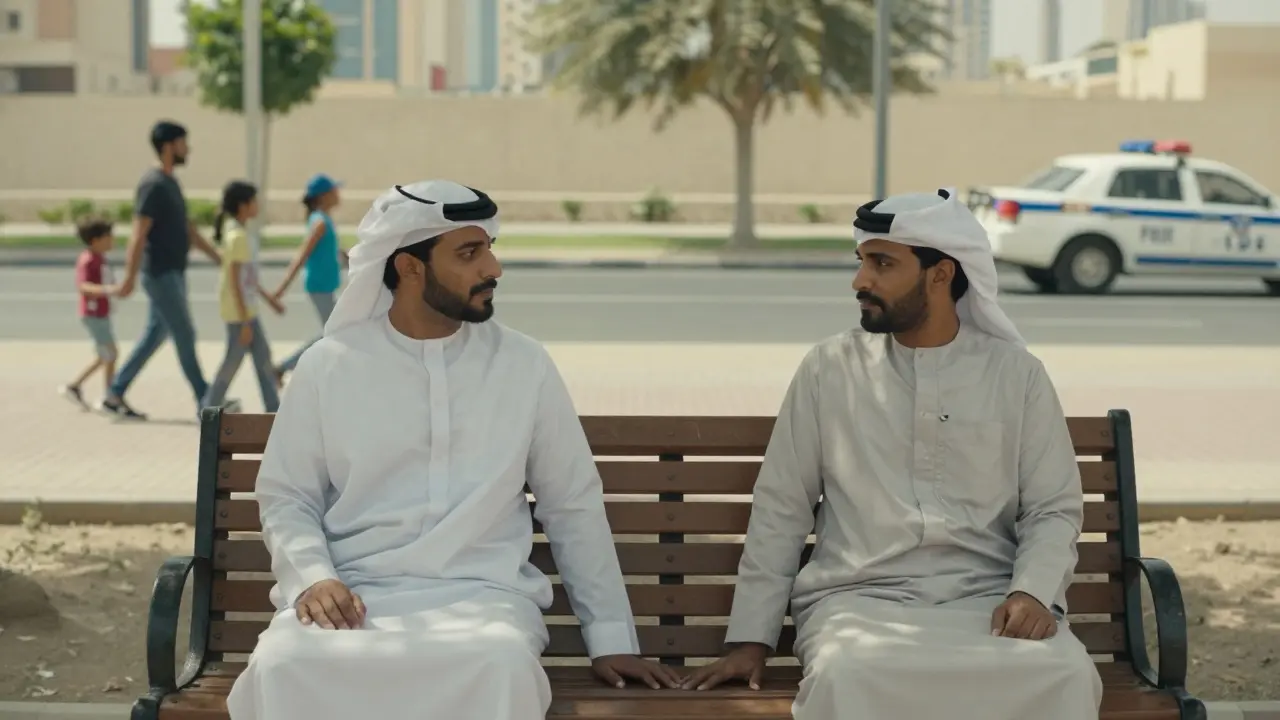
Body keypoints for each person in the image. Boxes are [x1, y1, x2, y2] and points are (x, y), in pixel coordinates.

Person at [225, 180, 684, 720]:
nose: (493, 268)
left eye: (490, 247)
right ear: (408, 267)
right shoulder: (329, 365)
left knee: (499, 664)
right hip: (355, 594)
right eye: (470, 253)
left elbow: (571, 505)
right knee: (284, 663)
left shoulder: (523, 365)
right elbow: (287, 495)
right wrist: (312, 576)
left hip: (484, 599)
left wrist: (611, 638)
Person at [681, 189, 1103, 720]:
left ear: (941, 273)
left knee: (1062, 674)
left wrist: (1035, 593)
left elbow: (1052, 507)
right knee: (849, 674)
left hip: (987, 601)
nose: (861, 281)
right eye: (862, 262)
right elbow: (782, 508)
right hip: (858, 602)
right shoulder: (829, 369)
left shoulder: (1015, 375)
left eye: (882, 264)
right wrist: (751, 639)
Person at [104, 120, 222, 420]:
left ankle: (115, 392)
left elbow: (187, 229)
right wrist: (130, 277)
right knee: (184, 332)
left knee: (156, 334)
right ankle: (206, 400)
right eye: (184, 143)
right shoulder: (153, 184)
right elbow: (138, 233)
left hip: (175, 272)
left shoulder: (170, 182)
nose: (188, 149)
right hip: (160, 273)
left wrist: (219, 258)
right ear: (169, 146)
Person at [201, 181, 285, 413]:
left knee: (263, 358)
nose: (257, 206)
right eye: (254, 201)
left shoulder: (238, 233)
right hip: (240, 313)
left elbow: (247, 278)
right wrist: (245, 321)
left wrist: (269, 300)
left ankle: (273, 411)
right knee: (233, 361)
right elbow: (236, 281)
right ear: (243, 206)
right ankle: (208, 408)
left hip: (245, 311)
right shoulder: (237, 236)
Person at [269, 173, 346, 383]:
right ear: (323, 196)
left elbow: (334, 252)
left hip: (325, 285)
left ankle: (290, 368)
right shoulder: (320, 223)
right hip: (319, 286)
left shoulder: (323, 220)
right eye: (334, 190)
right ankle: (283, 367)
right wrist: (281, 289)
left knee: (336, 332)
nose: (339, 194)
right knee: (334, 333)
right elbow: (302, 256)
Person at [59, 218, 121, 411]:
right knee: (110, 354)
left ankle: (75, 386)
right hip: (94, 315)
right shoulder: (89, 260)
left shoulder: (99, 258)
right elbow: (84, 286)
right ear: (95, 240)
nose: (112, 241)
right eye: (108, 237)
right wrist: (108, 290)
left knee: (106, 355)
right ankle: (109, 396)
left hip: (101, 313)